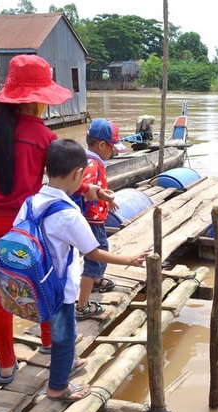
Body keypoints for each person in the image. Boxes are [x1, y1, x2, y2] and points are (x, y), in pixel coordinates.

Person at [0, 54, 110, 382]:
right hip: (28, 229)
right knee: (45, 284)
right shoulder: (44, 137)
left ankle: (6, 366)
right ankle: (51, 344)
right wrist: (93, 192)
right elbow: (65, 181)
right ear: (36, 101)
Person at [17, 139, 148, 401]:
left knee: (56, 330)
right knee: (66, 335)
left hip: (35, 282)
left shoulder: (31, 202)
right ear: (78, 174)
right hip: (59, 287)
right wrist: (130, 259)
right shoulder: (68, 213)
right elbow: (94, 252)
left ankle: (65, 364)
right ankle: (58, 387)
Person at [74, 119, 125, 320]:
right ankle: (82, 305)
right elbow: (86, 189)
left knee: (99, 251)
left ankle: (95, 280)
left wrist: (106, 200)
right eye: (112, 148)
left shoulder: (86, 159)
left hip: (91, 218)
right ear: (102, 145)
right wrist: (100, 196)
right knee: (96, 256)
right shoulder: (93, 165)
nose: (112, 153)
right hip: (91, 221)